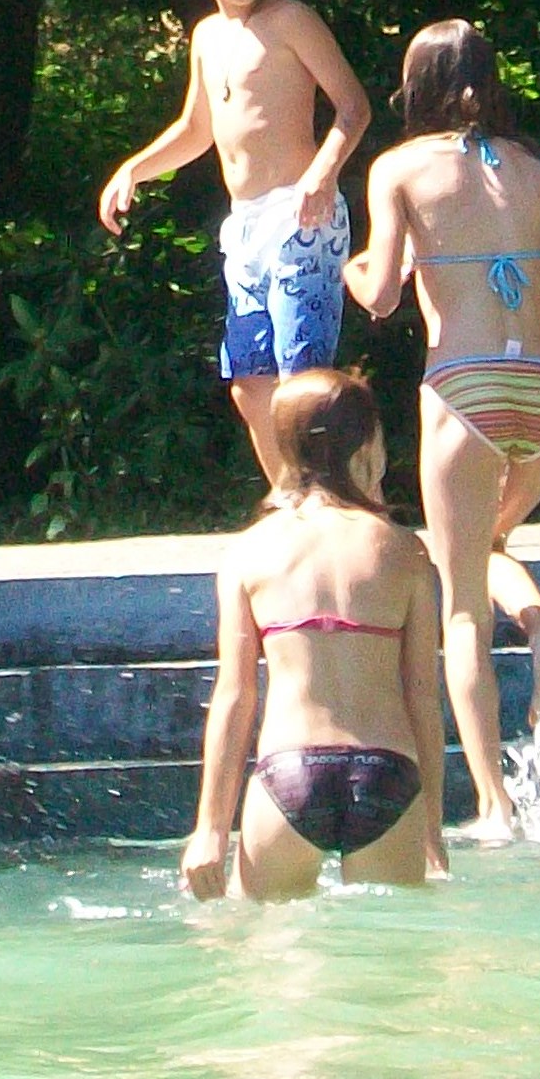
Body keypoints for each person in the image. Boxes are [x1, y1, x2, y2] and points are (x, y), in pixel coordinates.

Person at [345, 18, 540, 838]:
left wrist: (346, 263)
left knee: (459, 607)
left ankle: (494, 803)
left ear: (415, 87)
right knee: (485, 544)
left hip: (465, 390)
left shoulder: (396, 168)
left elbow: (379, 295)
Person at [97, 0, 372, 486]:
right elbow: (197, 129)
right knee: (250, 382)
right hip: (245, 225)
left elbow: (354, 107)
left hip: (302, 214)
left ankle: (336, 499)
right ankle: (292, 497)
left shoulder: (292, 20)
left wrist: (322, 173)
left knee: (301, 379)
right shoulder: (206, 36)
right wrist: (133, 168)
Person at [182, 370, 448, 900]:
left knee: (265, 945)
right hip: (385, 772)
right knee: (394, 948)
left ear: (284, 446)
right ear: (368, 445)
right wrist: (432, 828)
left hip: (290, 771)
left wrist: (209, 829)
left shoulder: (248, 552)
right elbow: (422, 696)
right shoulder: (404, 551)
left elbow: (235, 695)